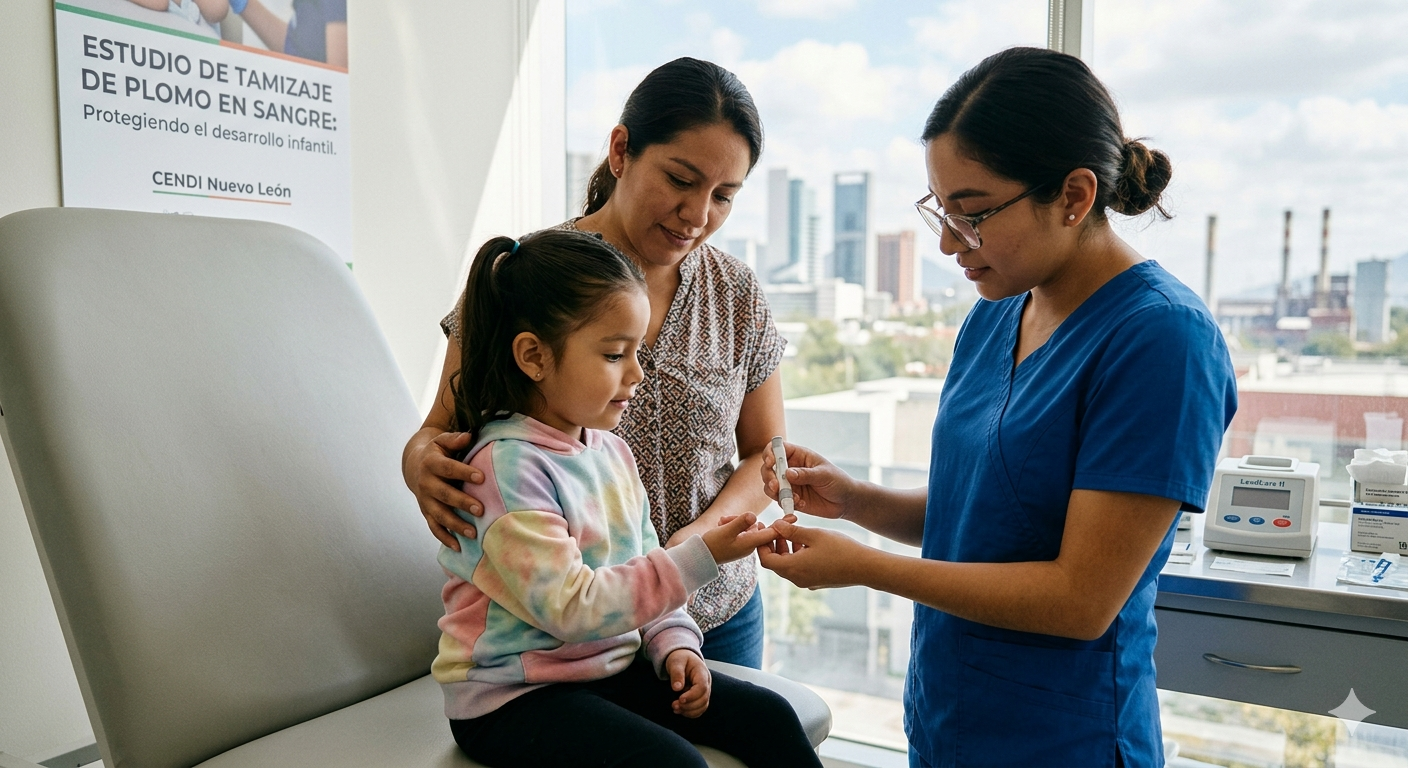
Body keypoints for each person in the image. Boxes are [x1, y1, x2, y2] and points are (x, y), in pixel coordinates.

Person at [756, 48, 1238, 768]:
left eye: (973, 214)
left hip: (1062, 739)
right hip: (952, 716)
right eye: (940, 211)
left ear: (1074, 196)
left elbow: (1081, 599)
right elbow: (986, 514)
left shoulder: (1161, 339)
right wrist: (859, 500)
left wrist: (865, 567)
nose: (950, 243)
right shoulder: (998, 308)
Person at [404, 57, 786, 669]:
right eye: (680, 180)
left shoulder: (735, 295)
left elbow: (767, 455)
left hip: (714, 611)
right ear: (620, 150)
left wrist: (693, 546)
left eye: (723, 196)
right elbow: (437, 432)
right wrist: (419, 463)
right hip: (565, 633)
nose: (697, 213)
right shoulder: (527, 280)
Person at [433, 229, 821, 768]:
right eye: (616, 354)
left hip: (608, 667)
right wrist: (703, 555)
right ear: (533, 356)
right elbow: (572, 608)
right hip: (512, 697)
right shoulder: (502, 470)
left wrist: (675, 644)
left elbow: (643, 566)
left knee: (771, 717)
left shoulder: (612, 451)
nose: (637, 373)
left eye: (637, 351)